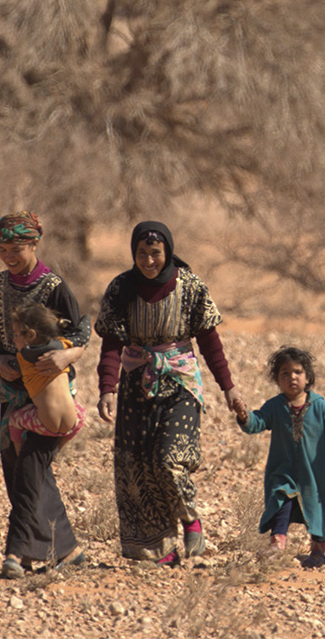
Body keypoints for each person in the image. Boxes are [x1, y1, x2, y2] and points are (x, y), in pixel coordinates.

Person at [94, 221, 246, 565]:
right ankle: (158, 551)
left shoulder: (190, 286)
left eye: (156, 253)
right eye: (142, 253)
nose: (149, 261)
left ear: (168, 253)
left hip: (179, 380)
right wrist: (108, 389)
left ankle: (191, 519)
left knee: (168, 458)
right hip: (135, 384)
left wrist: (228, 387)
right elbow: (111, 344)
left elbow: (210, 341)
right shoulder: (121, 288)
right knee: (138, 469)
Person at [0, 211, 89, 578]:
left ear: (35, 244)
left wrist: (66, 355)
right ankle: (63, 550)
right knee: (18, 468)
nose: (9, 256)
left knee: (31, 471)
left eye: (17, 249)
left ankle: (20, 553)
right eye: (3, 248)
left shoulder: (55, 286)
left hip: (48, 395)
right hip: (11, 393)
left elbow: (82, 333)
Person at [234, 346, 325, 568]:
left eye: (297, 372)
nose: (292, 377)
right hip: (282, 470)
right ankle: (277, 544)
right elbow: (258, 423)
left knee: (320, 507)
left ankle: (318, 549)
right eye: (285, 373)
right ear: (277, 379)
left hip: (315, 473)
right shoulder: (275, 406)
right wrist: (245, 416)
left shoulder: (320, 406)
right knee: (281, 500)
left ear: (308, 377)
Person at [9, 302, 88, 452]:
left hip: (44, 423)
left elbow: (12, 369)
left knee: (14, 420)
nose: (13, 339)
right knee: (82, 413)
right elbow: (84, 330)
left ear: (31, 335)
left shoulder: (23, 357)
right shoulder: (63, 346)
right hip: (72, 422)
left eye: (16, 334)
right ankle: (57, 450)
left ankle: (19, 455)